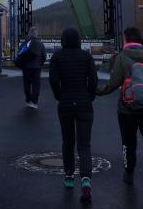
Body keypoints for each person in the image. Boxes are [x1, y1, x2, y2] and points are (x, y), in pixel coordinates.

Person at [96, 27, 143, 200]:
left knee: (128, 144)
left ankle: (129, 174)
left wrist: (96, 91)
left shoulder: (122, 58)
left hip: (127, 110)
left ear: (127, 39)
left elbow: (113, 83)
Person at [49, 27, 98, 203]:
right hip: (84, 104)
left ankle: (69, 176)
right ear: (78, 40)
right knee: (84, 145)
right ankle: (85, 180)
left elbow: (53, 80)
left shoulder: (57, 57)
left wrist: (59, 95)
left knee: (68, 141)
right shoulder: (86, 56)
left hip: (65, 104)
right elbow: (93, 80)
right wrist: (89, 96)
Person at [18, 26, 46, 108]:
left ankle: (28, 100)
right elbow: (44, 56)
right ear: (36, 34)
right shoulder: (40, 44)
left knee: (27, 84)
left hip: (26, 68)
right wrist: (40, 64)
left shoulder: (25, 43)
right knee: (36, 85)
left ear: (29, 34)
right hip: (36, 67)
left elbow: (20, 54)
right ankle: (34, 102)